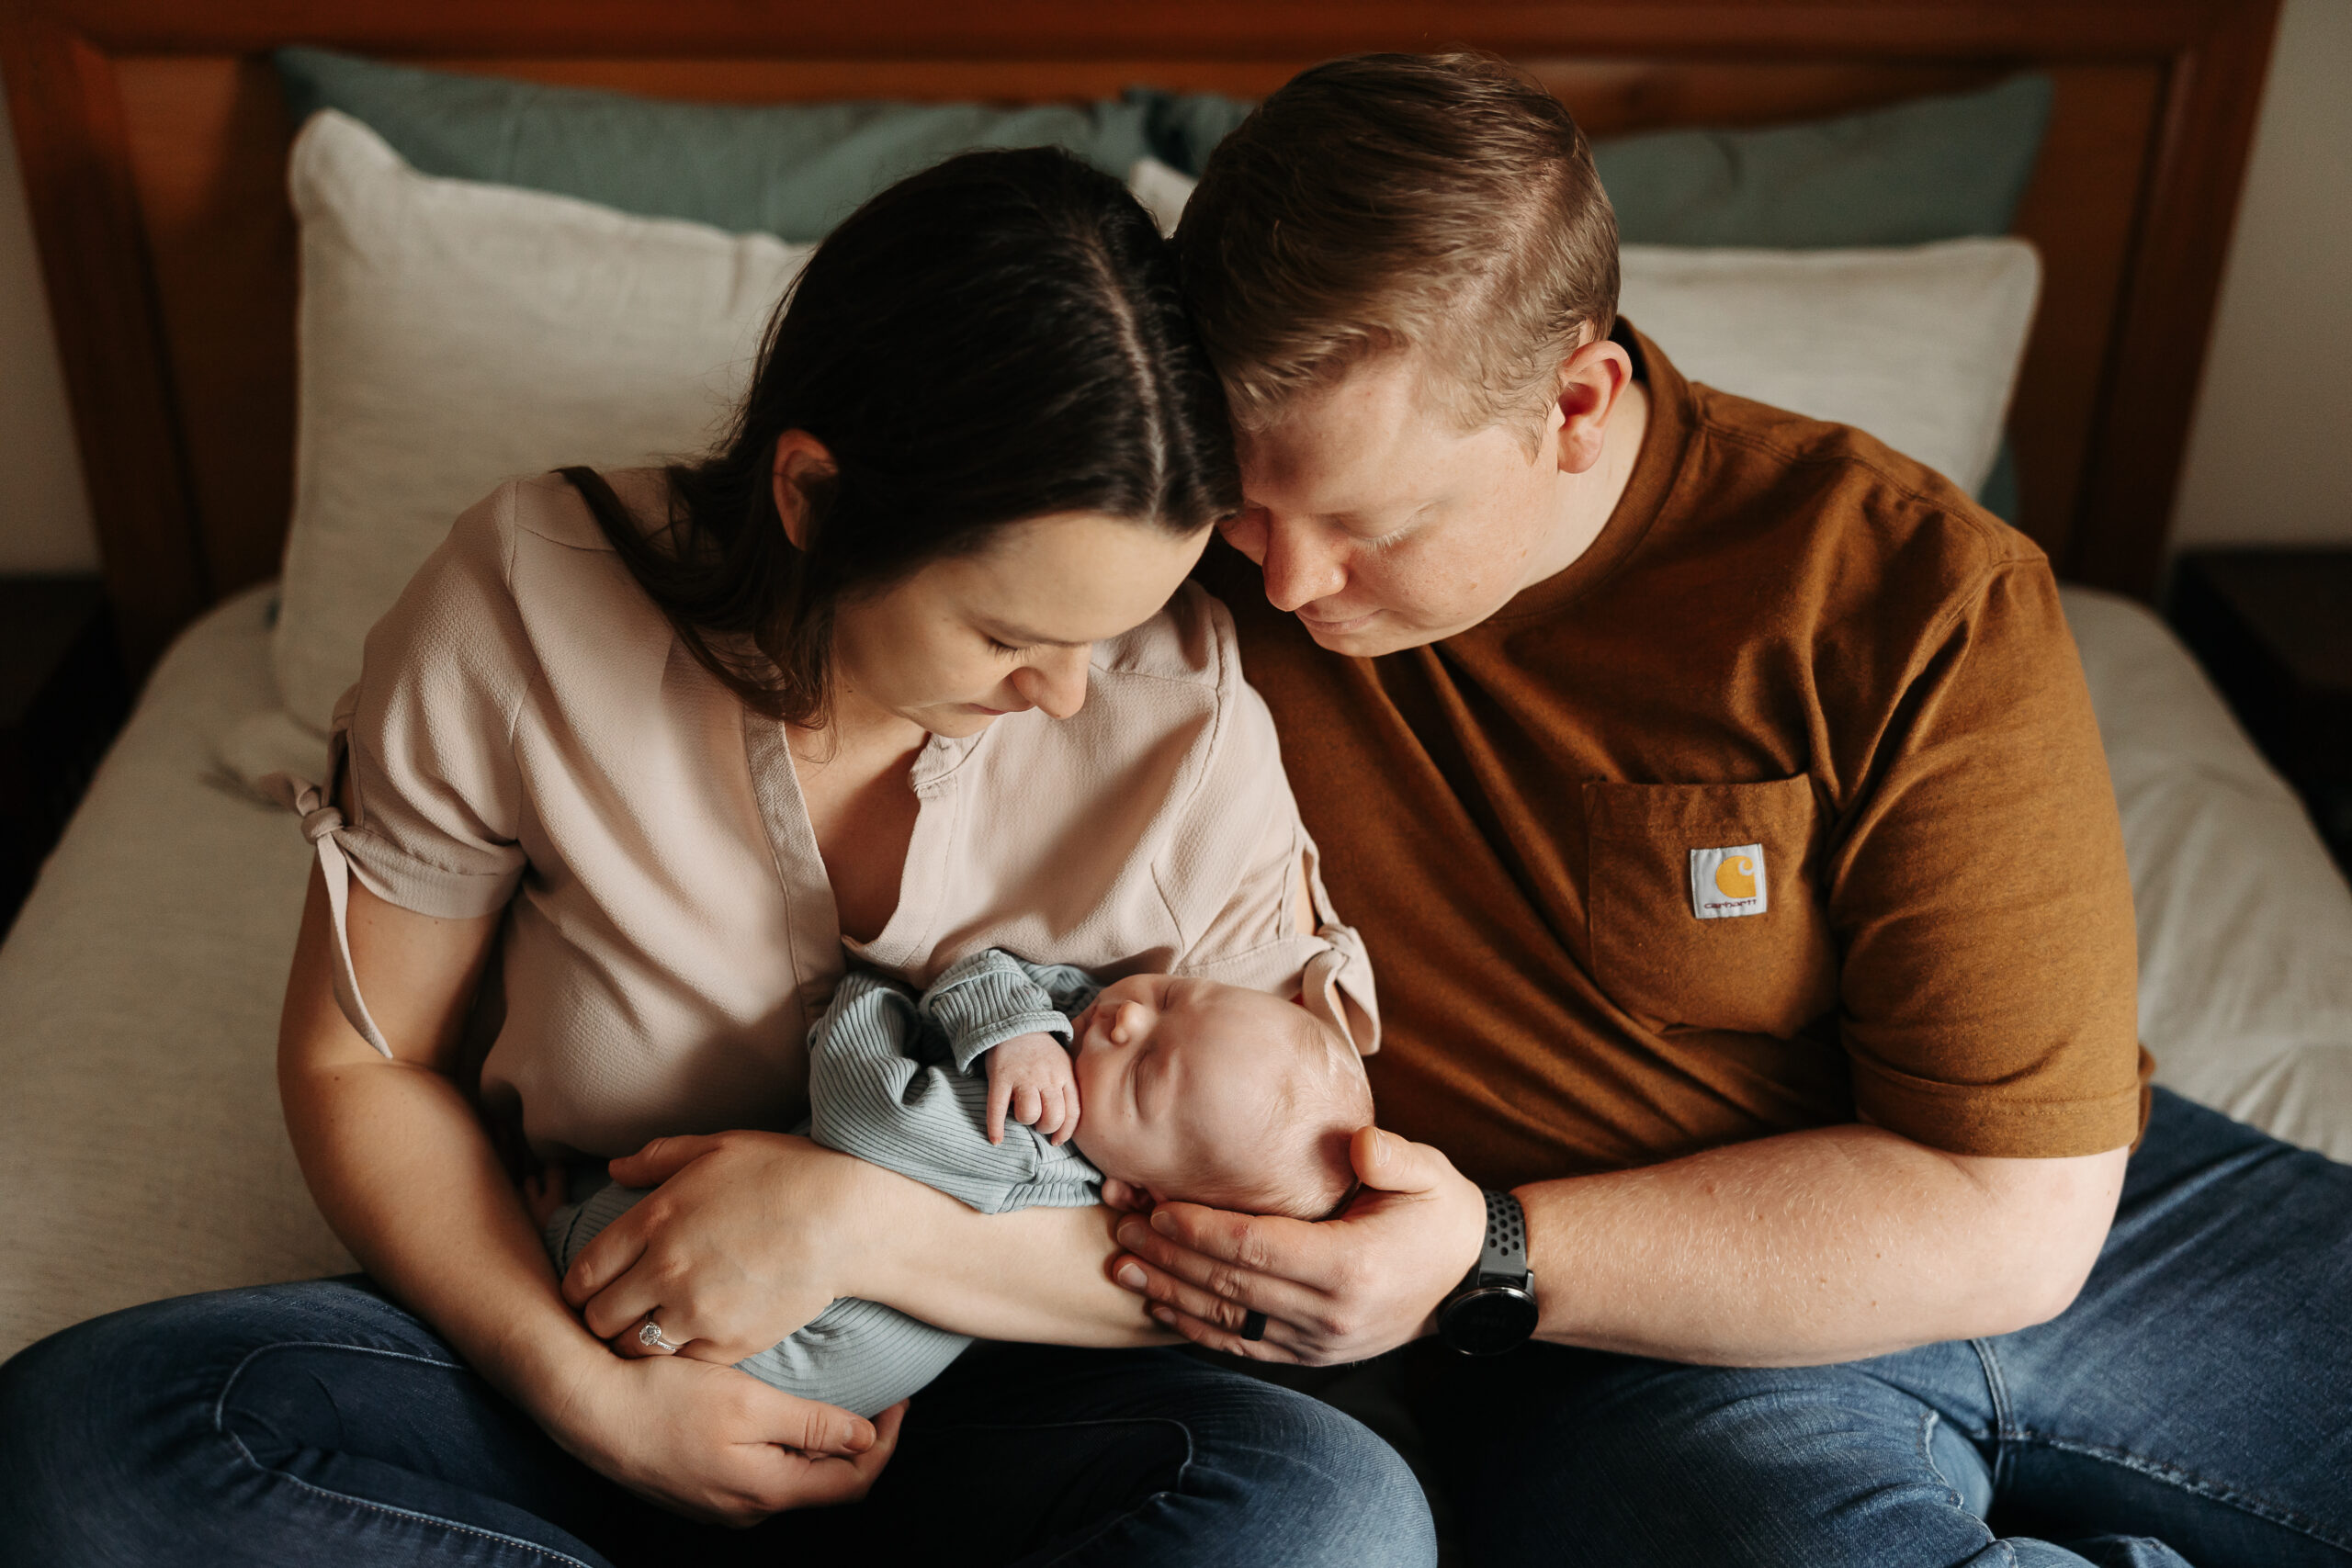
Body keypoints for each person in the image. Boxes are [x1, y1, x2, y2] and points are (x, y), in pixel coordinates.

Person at [0, 147, 1432, 1568]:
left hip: (1007, 1389)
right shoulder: (527, 604)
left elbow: (1280, 1239)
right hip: (583, 1326)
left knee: (1333, 1517)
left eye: (1104, 635)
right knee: (84, 1441)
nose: (1066, 695)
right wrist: (587, 1397)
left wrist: (856, 1226)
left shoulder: (1184, 710)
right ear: (813, 496)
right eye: (1007, 636)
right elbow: (358, 1063)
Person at [1100, 53, 2352, 1566]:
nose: (1285, 583)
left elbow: (2019, 1207)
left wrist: (1489, 1247)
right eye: (1245, 496)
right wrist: (1497, 1259)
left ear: (1577, 401)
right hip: (1630, 1333)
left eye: (1374, 523)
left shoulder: (1907, 593)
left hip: (2053, 1201)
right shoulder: (1143, 542)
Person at [540, 950, 1374, 1417]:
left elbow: (860, 1099)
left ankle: (546, 1225)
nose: (1124, 1017)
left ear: (1150, 1199)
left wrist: (900, 991)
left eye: (1149, 1072)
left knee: (603, 1230)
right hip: (769, 1395)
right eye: (1175, 994)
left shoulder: (1023, 1140)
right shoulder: (1103, 1128)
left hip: (706, 1335)